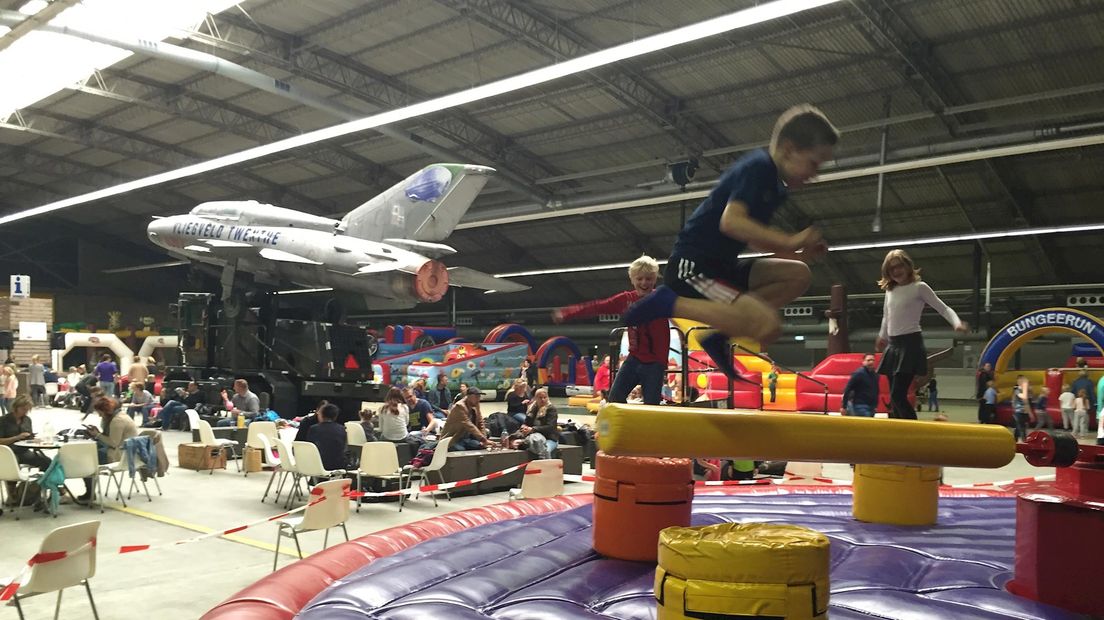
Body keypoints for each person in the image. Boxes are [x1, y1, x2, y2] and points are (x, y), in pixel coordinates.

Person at [624, 105, 837, 378]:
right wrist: (790, 240)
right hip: (693, 267)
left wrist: (797, 252)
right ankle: (668, 302)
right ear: (788, 149)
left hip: (722, 267)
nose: (814, 173)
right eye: (813, 163)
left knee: (798, 275)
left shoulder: (776, 187)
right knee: (767, 326)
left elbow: (756, 240)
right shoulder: (759, 167)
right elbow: (732, 222)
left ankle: (720, 334)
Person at [555, 256, 670, 404]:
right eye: (639, 279)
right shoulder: (627, 299)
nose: (644, 283)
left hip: (655, 363)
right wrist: (568, 313)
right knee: (614, 398)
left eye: (648, 279)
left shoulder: (661, 299)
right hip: (634, 358)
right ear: (632, 280)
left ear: (654, 279)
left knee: (652, 405)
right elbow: (599, 306)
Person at [874, 249, 967, 420]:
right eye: (891, 269)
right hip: (893, 346)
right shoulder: (890, 291)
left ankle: (913, 432)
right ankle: (899, 432)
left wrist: (956, 323)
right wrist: (882, 337)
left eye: (899, 266)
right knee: (894, 399)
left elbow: (943, 308)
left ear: (908, 266)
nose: (896, 271)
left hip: (910, 344)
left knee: (898, 395)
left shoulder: (919, 288)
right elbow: (887, 317)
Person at [81, 396, 137, 504]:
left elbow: (113, 443)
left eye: (100, 413)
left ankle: (90, 493)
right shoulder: (117, 416)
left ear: (106, 411)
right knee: (87, 452)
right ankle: (90, 491)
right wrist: (97, 433)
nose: (99, 415)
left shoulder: (117, 421)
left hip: (120, 455)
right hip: (122, 450)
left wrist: (97, 434)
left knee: (85, 460)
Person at [0, 395, 51, 471]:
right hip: (8, 452)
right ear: (16, 407)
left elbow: (29, 438)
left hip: (24, 451)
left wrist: (34, 440)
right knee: (13, 464)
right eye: (23, 409)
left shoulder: (27, 420)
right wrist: (17, 437)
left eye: (27, 410)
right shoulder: (3, 421)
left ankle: (42, 481)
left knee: (46, 461)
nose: (25, 412)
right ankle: (12, 481)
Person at [518, 387, 559, 457]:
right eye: (540, 398)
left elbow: (550, 427)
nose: (543, 400)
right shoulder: (532, 409)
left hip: (549, 438)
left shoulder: (551, 409)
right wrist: (524, 427)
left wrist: (533, 429)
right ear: (535, 398)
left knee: (545, 451)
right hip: (534, 437)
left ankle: (547, 466)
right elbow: (526, 422)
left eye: (544, 397)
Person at [306, 403, 347, 471]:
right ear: (335, 416)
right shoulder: (342, 429)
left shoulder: (314, 429)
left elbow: (309, 447)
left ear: (322, 415)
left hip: (318, 464)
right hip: (338, 465)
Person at [1011, 376, 1032, 441]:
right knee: (1021, 428)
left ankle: (1015, 441)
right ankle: (1023, 441)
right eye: (1026, 383)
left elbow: (1026, 403)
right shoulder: (1017, 390)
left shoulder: (1024, 391)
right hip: (1019, 412)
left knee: (1020, 428)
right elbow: (1024, 399)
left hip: (1022, 412)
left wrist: (1030, 413)